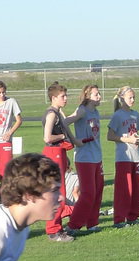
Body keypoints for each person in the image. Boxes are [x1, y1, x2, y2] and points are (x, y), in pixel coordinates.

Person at [41, 82, 78, 242]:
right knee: (57, 192)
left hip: (59, 153)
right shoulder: (52, 114)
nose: (66, 99)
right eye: (63, 96)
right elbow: (47, 137)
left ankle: (58, 227)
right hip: (53, 153)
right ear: (54, 97)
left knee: (58, 191)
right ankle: (53, 230)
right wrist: (63, 137)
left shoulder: (58, 113)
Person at [67, 84, 104, 232]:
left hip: (97, 157)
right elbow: (65, 122)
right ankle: (73, 226)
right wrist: (74, 140)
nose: (99, 96)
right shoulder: (82, 110)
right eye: (96, 94)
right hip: (84, 158)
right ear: (88, 96)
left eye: (99, 93)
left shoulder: (96, 112)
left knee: (98, 191)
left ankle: (92, 223)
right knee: (88, 193)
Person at [107, 85, 139, 228]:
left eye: (134, 97)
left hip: (136, 156)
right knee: (124, 189)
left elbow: (134, 131)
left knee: (136, 188)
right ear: (122, 98)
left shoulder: (135, 114)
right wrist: (128, 140)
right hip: (124, 157)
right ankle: (119, 219)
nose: (133, 100)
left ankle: (133, 217)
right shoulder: (117, 115)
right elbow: (110, 136)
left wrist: (137, 139)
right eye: (130, 97)